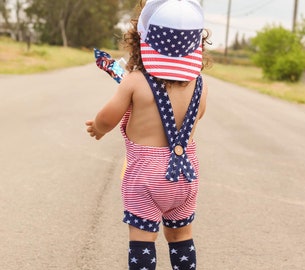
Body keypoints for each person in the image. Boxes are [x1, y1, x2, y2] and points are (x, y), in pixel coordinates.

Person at [86, 0, 211, 269]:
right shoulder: (200, 86)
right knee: (181, 236)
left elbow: (108, 117)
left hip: (146, 177)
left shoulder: (134, 81)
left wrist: (98, 127)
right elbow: (197, 116)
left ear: (141, 40)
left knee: (143, 240)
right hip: (184, 178)